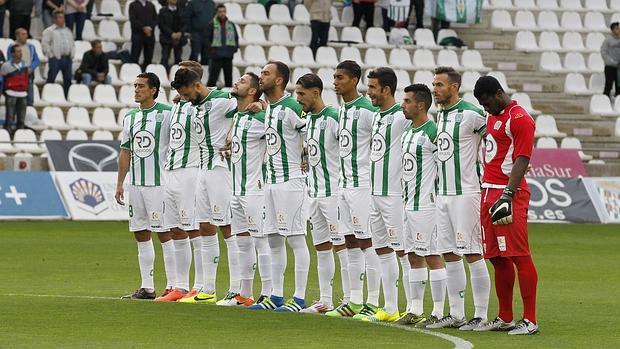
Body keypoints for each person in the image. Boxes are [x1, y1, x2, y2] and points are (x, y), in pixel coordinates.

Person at [473, 76, 539, 335]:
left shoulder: (520, 118)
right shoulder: (491, 116)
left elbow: (523, 157)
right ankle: (505, 317)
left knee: (519, 255)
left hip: (509, 194)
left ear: (499, 94)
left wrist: (508, 194)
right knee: (497, 258)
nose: (485, 107)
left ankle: (530, 320)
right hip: (488, 191)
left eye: (487, 102)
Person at [427, 66, 491, 330]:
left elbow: (496, 141)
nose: (435, 89)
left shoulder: (472, 114)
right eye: (433, 84)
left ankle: (481, 314)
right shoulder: (439, 116)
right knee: (449, 254)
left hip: (466, 193)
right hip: (443, 195)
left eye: (439, 85)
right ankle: (455, 313)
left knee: (473, 253)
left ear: (454, 87)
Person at [169, 69, 239, 306]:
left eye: (186, 92)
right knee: (205, 227)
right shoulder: (191, 105)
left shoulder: (221, 101)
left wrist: (257, 104)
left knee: (228, 228)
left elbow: (246, 106)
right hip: (202, 171)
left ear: (197, 85)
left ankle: (236, 289)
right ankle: (208, 289)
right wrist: (182, 99)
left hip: (220, 170)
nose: (185, 97)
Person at [248, 61, 310, 312]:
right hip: (271, 182)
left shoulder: (293, 106)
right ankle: (275, 295)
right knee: (273, 240)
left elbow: (311, 134)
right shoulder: (270, 108)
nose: (260, 77)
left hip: (291, 181)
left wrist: (306, 158)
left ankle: (299, 298)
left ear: (279, 80)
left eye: (266, 73)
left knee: (296, 239)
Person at [325, 60, 381, 320]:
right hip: (343, 185)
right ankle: (354, 300)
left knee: (367, 242)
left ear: (354, 80)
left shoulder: (368, 111)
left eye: (340, 77)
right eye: (334, 77)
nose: (335, 82)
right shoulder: (342, 111)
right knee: (348, 241)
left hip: (362, 186)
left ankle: (373, 301)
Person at [356, 67, 410, 323]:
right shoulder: (376, 116)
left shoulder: (402, 117)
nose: (370, 93)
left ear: (386, 89)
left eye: (373, 88)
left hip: (395, 195)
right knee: (383, 251)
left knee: (404, 251)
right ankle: (390, 307)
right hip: (374, 194)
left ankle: (414, 308)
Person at [116, 73, 174, 300]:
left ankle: (173, 285)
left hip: (159, 184)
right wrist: (120, 183)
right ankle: (147, 287)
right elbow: (125, 151)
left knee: (164, 232)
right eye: (135, 86)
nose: (136, 90)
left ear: (153, 90)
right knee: (140, 233)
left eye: (141, 86)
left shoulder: (168, 113)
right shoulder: (130, 117)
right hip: (136, 185)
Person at [294, 73, 349, 314]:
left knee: (342, 246)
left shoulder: (335, 117)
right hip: (314, 192)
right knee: (322, 246)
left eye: (301, 94)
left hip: (334, 192)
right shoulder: (308, 120)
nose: (298, 98)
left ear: (316, 93)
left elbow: (349, 152)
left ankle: (349, 299)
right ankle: (325, 299)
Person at [394, 84, 448, 327]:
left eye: (406, 101)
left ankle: (437, 311)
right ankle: (415, 308)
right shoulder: (407, 132)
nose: (402, 105)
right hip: (408, 204)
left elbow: (444, 166)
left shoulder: (433, 131)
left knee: (433, 256)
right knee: (413, 256)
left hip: (427, 205)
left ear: (421, 105)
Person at [219, 72, 271, 307]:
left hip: (255, 189)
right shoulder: (237, 117)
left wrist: (263, 105)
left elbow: (284, 130)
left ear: (252, 91)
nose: (236, 82)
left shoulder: (260, 117)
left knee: (261, 242)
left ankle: (269, 293)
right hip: (236, 189)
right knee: (242, 242)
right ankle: (245, 293)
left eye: (241, 81)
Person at [153, 67, 203, 302]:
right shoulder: (176, 106)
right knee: (175, 229)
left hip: (190, 172)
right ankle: (180, 287)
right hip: (171, 173)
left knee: (194, 229)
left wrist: (260, 105)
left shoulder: (201, 106)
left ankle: (200, 286)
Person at [42, 9, 74, 97]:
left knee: (68, 79)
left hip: (67, 58)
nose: (62, 19)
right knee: (51, 77)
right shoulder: (49, 31)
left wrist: (72, 54)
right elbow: (45, 44)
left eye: (63, 17)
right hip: (56, 58)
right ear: (54, 19)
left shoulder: (68, 30)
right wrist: (51, 55)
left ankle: (66, 96)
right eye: (59, 17)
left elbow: (72, 43)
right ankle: (47, 95)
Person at [206, 4, 239, 87]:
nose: (222, 13)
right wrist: (212, 50)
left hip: (228, 55)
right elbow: (206, 39)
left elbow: (236, 38)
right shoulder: (211, 24)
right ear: (216, 13)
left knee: (229, 79)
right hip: (216, 56)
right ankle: (207, 97)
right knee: (212, 79)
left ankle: (229, 98)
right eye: (220, 12)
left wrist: (233, 49)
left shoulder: (231, 24)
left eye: (224, 11)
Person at [8, 28, 41, 106]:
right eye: (23, 34)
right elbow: (10, 60)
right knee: (17, 97)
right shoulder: (12, 47)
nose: (26, 36)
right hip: (17, 75)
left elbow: (37, 60)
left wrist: (31, 68)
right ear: (17, 36)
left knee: (29, 97)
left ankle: (29, 108)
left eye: (26, 34)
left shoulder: (31, 46)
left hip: (29, 75)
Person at [0, 44, 29, 133]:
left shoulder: (25, 65)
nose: (20, 53)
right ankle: (8, 134)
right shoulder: (6, 66)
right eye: (18, 51)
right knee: (9, 117)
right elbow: (2, 80)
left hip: (23, 93)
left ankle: (20, 134)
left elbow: (27, 79)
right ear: (12, 54)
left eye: (20, 51)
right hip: (11, 92)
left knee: (21, 118)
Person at [158, 0, 187, 71]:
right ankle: (163, 73)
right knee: (165, 58)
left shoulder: (182, 10)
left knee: (178, 58)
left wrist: (180, 32)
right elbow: (161, 24)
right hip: (166, 38)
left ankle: (178, 76)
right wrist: (171, 33)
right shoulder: (163, 11)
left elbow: (185, 23)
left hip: (178, 38)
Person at [184, 0, 215, 65]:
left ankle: (204, 73)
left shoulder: (212, 3)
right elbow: (187, 17)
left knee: (206, 55)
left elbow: (214, 18)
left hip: (208, 34)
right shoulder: (192, 3)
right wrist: (190, 31)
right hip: (196, 33)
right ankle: (191, 72)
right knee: (195, 54)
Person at [129, 0, 157, 70]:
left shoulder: (151, 5)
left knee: (148, 58)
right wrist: (143, 28)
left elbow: (155, 19)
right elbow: (133, 20)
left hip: (149, 35)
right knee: (135, 57)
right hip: (137, 34)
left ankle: (146, 75)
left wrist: (150, 28)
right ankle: (134, 73)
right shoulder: (133, 5)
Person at [601, 22, 620, 98]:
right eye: (617, 28)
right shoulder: (607, 40)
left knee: (619, 87)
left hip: (619, 67)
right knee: (609, 85)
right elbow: (604, 53)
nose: (619, 30)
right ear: (612, 30)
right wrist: (612, 62)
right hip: (610, 67)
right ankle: (605, 101)